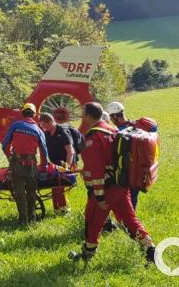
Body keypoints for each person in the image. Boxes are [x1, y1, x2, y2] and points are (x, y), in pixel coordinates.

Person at [76, 102, 155, 263]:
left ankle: (87, 254)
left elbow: (97, 171)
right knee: (129, 219)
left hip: (107, 188)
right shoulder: (112, 130)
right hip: (121, 184)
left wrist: (99, 197)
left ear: (88, 116)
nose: (82, 117)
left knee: (93, 219)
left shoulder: (93, 137)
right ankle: (150, 250)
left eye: (83, 114)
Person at [1, 103, 51, 224]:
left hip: (17, 163)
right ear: (34, 115)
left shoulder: (15, 126)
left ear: (23, 113)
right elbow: (44, 151)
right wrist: (44, 166)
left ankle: (23, 220)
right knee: (31, 192)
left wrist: (10, 157)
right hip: (32, 164)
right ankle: (32, 219)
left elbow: (4, 145)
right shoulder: (38, 130)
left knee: (19, 193)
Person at [105, 101, 142, 211]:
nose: (111, 120)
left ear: (115, 116)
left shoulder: (119, 132)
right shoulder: (135, 125)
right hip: (139, 169)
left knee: (125, 198)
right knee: (133, 197)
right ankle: (129, 222)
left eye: (111, 117)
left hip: (126, 172)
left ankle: (128, 224)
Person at [38, 113, 74, 215]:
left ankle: (64, 210)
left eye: (43, 125)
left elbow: (70, 151)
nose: (42, 127)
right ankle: (58, 210)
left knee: (59, 188)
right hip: (55, 165)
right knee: (54, 187)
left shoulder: (61, 131)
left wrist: (66, 167)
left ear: (49, 122)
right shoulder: (47, 133)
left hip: (65, 164)